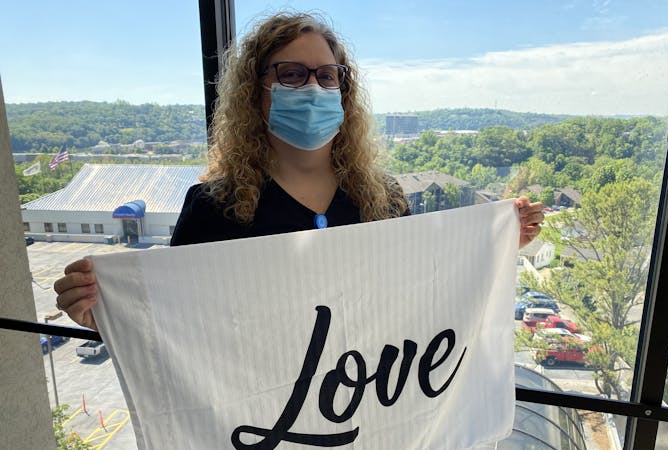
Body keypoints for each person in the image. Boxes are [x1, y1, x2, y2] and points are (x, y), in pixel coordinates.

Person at [53, 11, 544, 331]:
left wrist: (496, 244)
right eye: (291, 74)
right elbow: (171, 322)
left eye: (327, 76)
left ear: (343, 93)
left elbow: (424, 289)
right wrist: (104, 314)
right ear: (256, 92)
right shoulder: (216, 207)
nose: (312, 88)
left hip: (371, 409)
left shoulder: (384, 198)